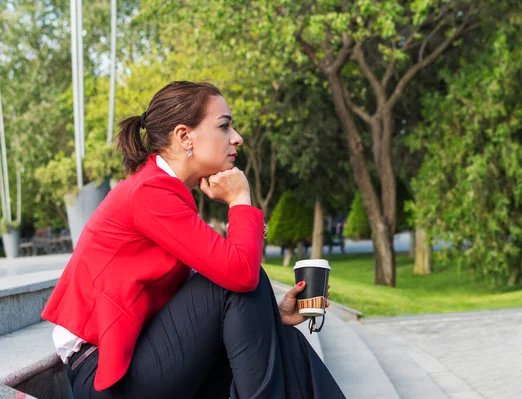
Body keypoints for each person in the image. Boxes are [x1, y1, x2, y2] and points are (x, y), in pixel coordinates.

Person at [41, 81, 346, 399]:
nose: (237, 138)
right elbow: (239, 273)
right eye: (224, 126)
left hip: (139, 359)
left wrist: (271, 315)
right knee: (236, 280)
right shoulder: (149, 192)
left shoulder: (163, 190)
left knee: (282, 336)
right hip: (105, 375)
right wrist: (240, 199)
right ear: (184, 136)